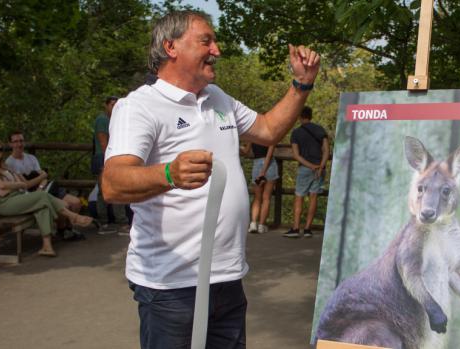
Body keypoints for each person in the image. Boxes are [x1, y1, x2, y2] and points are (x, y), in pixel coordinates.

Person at [101, 10, 320, 349]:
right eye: (206, 41)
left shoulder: (218, 97)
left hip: (228, 279)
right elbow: (113, 184)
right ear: (171, 47)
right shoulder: (139, 106)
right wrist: (169, 173)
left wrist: (302, 83)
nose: (216, 50)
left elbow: (268, 129)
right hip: (170, 286)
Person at [0, 140, 94, 256]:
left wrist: (14, 186)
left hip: (16, 197)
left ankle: (47, 247)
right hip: (3, 203)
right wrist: (17, 185)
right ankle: (73, 216)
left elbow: (19, 185)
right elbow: (2, 186)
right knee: (42, 196)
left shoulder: (5, 166)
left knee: (42, 206)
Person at [5, 130, 85, 240]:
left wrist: (41, 185)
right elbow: (26, 185)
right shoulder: (10, 163)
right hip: (32, 194)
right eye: (15, 141)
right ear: (10, 144)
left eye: (21, 141)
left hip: (46, 188)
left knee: (76, 202)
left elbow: (44, 178)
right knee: (65, 205)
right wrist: (42, 177)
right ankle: (62, 231)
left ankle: (68, 229)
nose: (19, 144)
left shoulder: (31, 158)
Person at [283, 106, 330, 238]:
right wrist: (320, 167)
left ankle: (296, 228)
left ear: (300, 117)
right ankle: (308, 229)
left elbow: (296, 155)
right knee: (313, 197)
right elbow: (326, 150)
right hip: (320, 169)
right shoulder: (320, 130)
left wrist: (311, 166)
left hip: (305, 168)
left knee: (299, 197)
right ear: (310, 116)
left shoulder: (296, 133)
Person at [92, 96, 130, 232]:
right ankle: (111, 222)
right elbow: (103, 142)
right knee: (107, 190)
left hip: (110, 157)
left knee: (109, 189)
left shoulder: (115, 119)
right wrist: (110, 161)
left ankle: (108, 222)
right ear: (106, 105)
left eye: (116, 105)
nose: (114, 107)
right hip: (104, 158)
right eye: (112, 104)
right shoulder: (103, 120)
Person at [244, 143, 278, 234]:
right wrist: (263, 171)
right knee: (266, 198)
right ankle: (261, 225)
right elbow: (269, 154)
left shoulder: (252, 137)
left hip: (257, 164)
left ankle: (253, 223)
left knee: (257, 197)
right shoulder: (271, 137)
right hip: (270, 165)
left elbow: (246, 152)